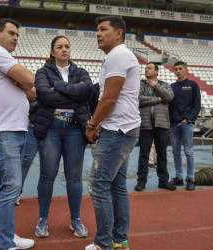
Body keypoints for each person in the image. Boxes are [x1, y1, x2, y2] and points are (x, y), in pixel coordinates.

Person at [0, 18, 36, 250]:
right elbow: (30, 79)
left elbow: (33, 94)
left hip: (16, 128)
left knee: (12, 185)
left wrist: (21, 81)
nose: (15, 38)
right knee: (10, 186)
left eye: (17, 35)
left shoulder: (6, 59)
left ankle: (7, 235)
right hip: (3, 130)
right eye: (11, 33)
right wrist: (22, 80)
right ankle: (4, 242)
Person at [85, 16, 141, 250]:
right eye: (97, 29)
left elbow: (109, 98)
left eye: (103, 29)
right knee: (116, 186)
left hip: (118, 130)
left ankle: (104, 244)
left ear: (118, 33)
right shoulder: (119, 55)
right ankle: (119, 240)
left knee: (98, 185)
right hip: (123, 128)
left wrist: (92, 124)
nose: (98, 33)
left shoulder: (118, 55)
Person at [33, 35, 92, 239]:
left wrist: (56, 87)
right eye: (59, 47)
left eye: (67, 46)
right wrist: (74, 95)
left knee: (74, 176)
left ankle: (75, 219)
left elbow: (87, 92)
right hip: (51, 127)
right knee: (47, 175)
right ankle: (42, 218)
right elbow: (43, 95)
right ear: (52, 52)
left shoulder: (81, 71)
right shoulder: (42, 72)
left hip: (75, 129)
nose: (64, 49)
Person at [135, 62, 176, 192]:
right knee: (144, 154)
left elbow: (169, 97)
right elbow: (138, 99)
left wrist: (156, 86)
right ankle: (141, 181)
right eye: (146, 68)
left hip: (162, 124)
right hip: (145, 123)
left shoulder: (165, 85)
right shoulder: (140, 84)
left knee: (162, 154)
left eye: (149, 68)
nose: (146, 70)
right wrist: (158, 100)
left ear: (157, 71)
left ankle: (163, 181)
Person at [169, 61, 201, 191]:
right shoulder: (172, 86)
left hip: (186, 124)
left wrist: (188, 119)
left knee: (188, 152)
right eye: (176, 69)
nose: (178, 71)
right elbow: (169, 106)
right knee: (176, 151)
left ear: (186, 70)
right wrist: (169, 123)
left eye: (180, 69)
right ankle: (179, 177)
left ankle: (190, 178)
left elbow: (197, 105)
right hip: (174, 125)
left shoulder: (193, 85)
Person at [16, 100, 39, 206]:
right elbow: (28, 104)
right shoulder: (34, 84)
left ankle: (44, 194)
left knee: (49, 166)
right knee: (25, 162)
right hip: (34, 126)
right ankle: (16, 193)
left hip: (52, 128)